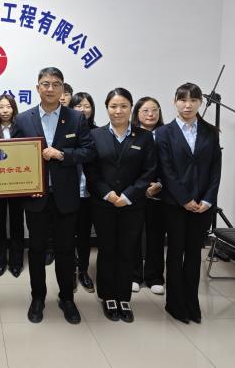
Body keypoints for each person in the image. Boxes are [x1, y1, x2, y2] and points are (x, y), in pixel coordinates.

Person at [11, 67, 96, 325]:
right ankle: (37, 298)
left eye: (56, 84)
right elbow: (14, 155)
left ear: (62, 89)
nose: (50, 88)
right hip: (35, 196)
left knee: (66, 250)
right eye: (45, 83)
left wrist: (62, 155)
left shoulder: (76, 118)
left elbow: (89, 151)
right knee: (36, 250)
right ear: (37, 87)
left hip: (66, 197)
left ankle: (67, 298)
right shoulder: (23, 119)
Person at [84, 88, 157, 323]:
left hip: (132, 205)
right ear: (106, 108)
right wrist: (107, 194)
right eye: (113, 106)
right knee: (107, 249)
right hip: (103, 203)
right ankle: (107, 296)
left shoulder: (144, 137)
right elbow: (91, 170)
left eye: (123, 106)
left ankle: (123, 297)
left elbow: (149, 171)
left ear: (131, 108)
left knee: (127, 250)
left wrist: (128, 195)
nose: (118, 111)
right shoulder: (95, 135)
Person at [156, 83, 221, 324]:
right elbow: (166, 170)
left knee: (194, 255)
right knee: (175, 253)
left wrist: (208, 199)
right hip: (175, 204)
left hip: (203, 205)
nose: (188, 105)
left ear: (200, 103)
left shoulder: (210, 131)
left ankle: (192, 303)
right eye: (183, 100)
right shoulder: (164, 133)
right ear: (175, 101)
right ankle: (174, 303)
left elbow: (215, 169)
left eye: (193, 100)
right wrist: (184, 199)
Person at [130, 97, 166, 295]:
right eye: (145, 110)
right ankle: (134, 275)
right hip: (136, 192)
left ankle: (154, 277)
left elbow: (173, 165)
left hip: (159, 193)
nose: (150, 114)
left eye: (154, 110)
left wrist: (160, 184)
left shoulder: (166, 134)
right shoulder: (131, 134)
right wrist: (141, 187)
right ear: (137, 113)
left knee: (156, 236)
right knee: (133, 234)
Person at [0, 94, 25, 278]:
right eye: (1, 107)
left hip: (18, 183)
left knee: (17, 223)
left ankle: (16, 262)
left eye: (8, 107)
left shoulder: (23, 128)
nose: (5, 110)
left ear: (14, 109)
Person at [68, 92, 98, 293]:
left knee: (84, 236)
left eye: (86, 106)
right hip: (69, 192)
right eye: (78, 106)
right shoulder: (66, 131)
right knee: (67, 235)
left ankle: (83, 271)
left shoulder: (98, 132)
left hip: (89, 193)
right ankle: (70, 271)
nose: (82, 110)